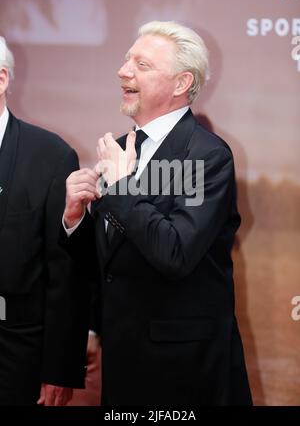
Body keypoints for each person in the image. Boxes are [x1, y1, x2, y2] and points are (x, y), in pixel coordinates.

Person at [63, 21, 252, 405]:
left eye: (142, 64)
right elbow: (109, 263)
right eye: (126, 60)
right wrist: (74, 220)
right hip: (122, 365)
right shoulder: (118, 149)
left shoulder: (207, 156)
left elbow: (175, 253)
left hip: (183, 373)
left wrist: (122, 189)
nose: (123, 70)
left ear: (182, 83)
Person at [0, 36, 89, 405]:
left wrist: (59, 368)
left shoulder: (51, 157)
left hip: (16, 358)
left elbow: (65, 273)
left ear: (1, 79)